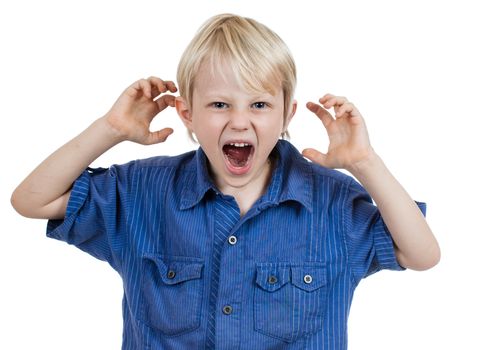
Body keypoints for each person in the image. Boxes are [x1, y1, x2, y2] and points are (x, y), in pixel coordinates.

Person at [11, 13, 440, 350]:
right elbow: (31, 200)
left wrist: (364, 162)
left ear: (287, 114)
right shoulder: (142, 192)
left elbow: (421, 253)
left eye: (259, 104)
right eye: (219, 104)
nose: (239, 121)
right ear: (187, 114)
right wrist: (111, 128)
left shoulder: (331, 202)